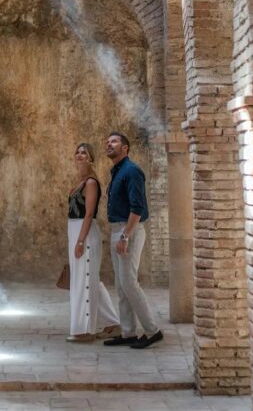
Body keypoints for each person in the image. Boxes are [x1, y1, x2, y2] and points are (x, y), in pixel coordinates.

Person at [102, 132, 163, 349]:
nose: (109, 144)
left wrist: (125, 236)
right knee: (121, 285)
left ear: (125, 147)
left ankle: (152, 330)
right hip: (117, 229)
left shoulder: (132, 171)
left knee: (129, 281)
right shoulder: (117, 171)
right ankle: (128, 332)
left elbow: (138, 208)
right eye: (107, 142)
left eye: (114, 141)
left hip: (129, 230)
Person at [66, 142, 121, 343]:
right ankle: (113, 322)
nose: (80, 155)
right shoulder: (79, 181)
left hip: (85, 233)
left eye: (84, 153)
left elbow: (89, 214)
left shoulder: (90, 182)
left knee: (85, 279)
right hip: (75, 230)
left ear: (90, 158)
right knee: (87, 280)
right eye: (78, 152)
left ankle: (84, 329)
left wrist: (80, 240)